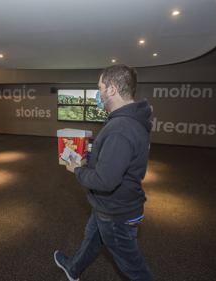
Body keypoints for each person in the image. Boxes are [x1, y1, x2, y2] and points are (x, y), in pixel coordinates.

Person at [54, 64, 153, 281]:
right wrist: (89, 158)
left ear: (112, 89)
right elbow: (114, 160)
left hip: (116, 212)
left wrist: (78, 169)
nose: (98, 93)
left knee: (133, 267)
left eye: (100, 88)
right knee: (92, 237)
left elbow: (104, 181)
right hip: (107, 206)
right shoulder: (129, 121)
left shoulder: (121, 128)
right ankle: (73, 268)